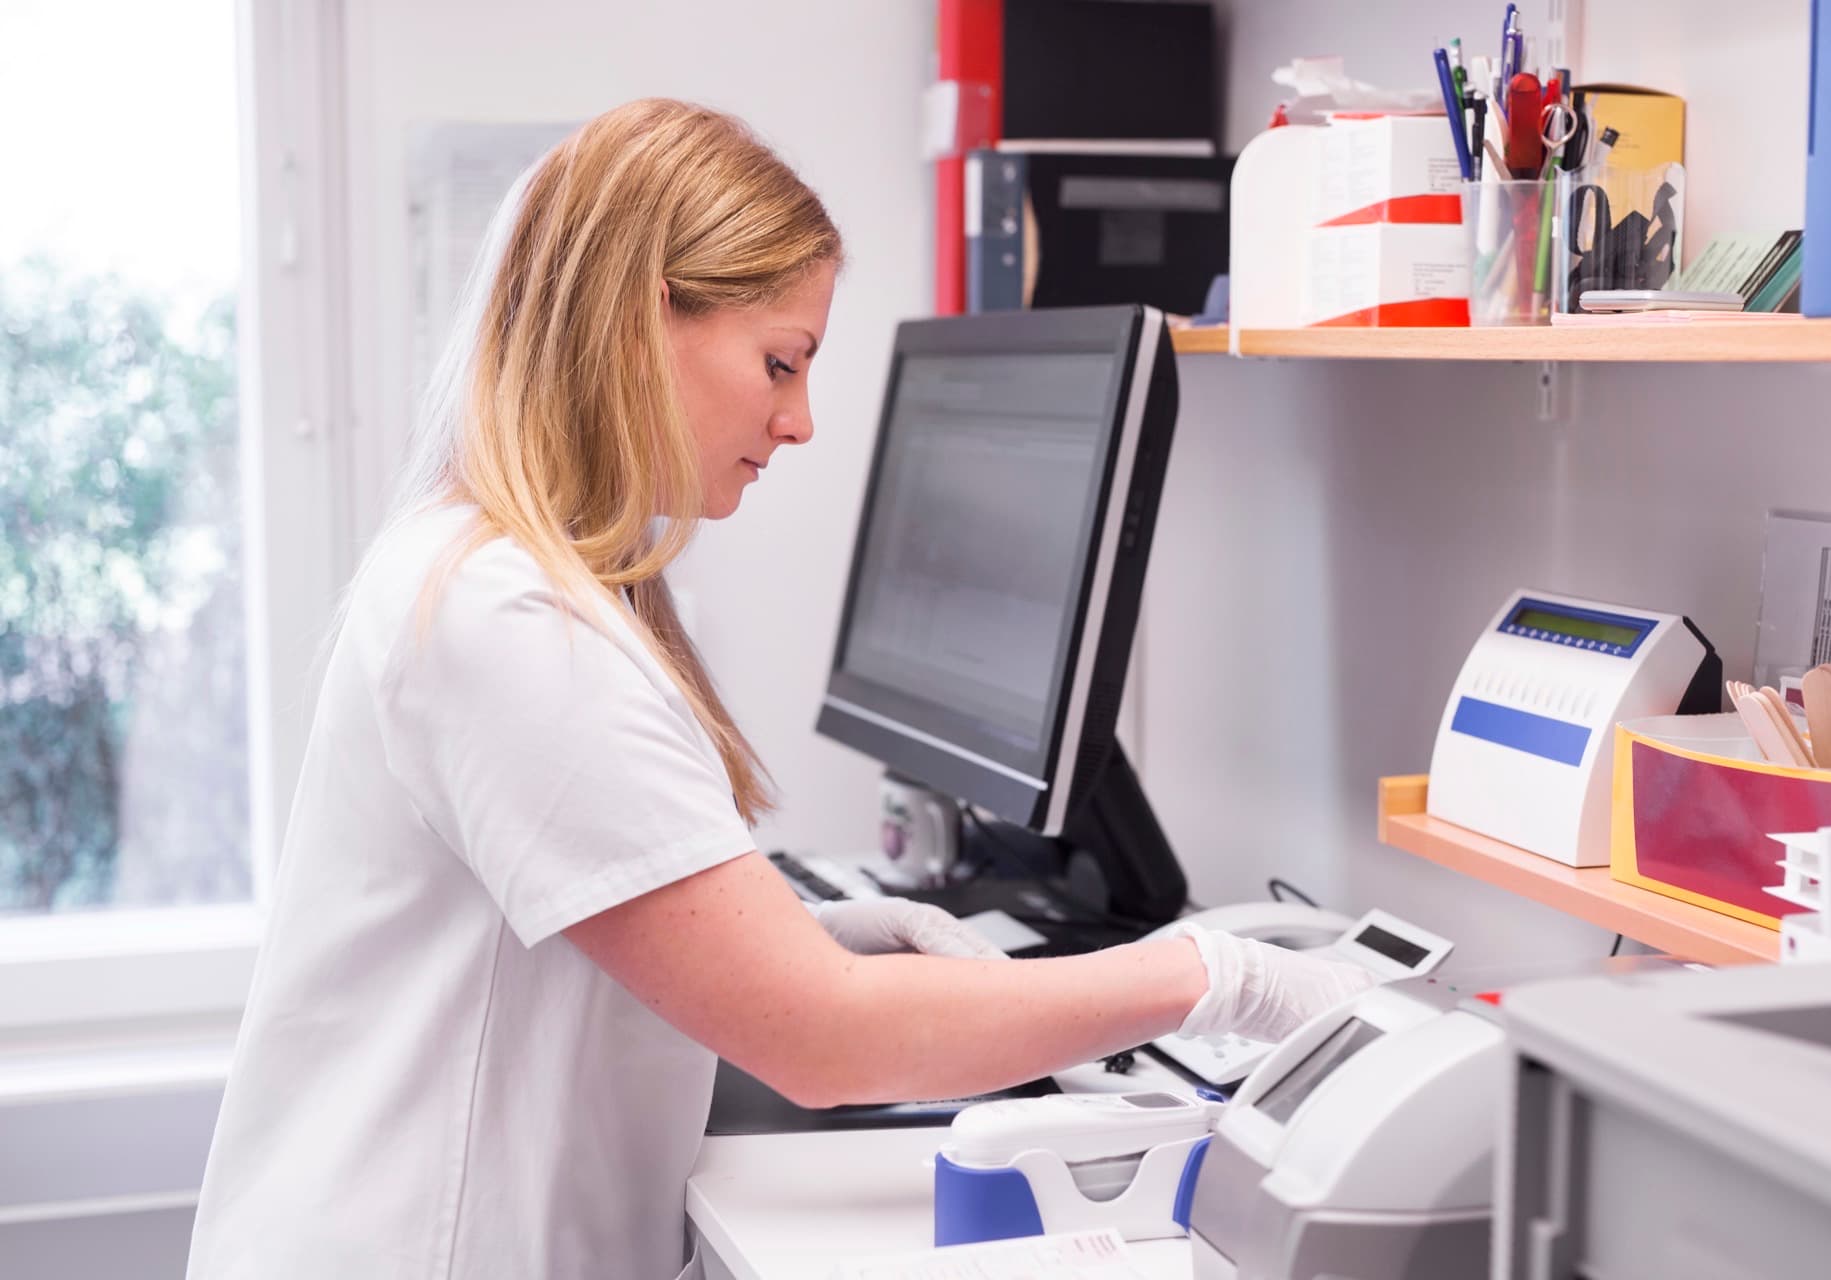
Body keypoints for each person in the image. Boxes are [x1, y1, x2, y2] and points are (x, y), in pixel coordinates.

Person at [184, 99, 1374, 1280]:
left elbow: (598, 917)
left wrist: (827, 936)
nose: (799, 420)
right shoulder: (511, 622)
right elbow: (822, 1041)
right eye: (780, 362)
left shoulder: (514, 573)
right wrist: (1217, 977)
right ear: (642, 317)